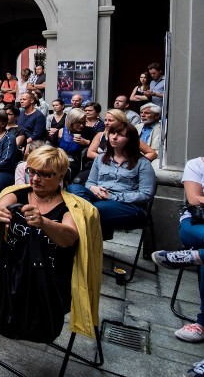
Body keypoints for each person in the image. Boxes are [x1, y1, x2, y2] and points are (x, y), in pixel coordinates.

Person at [0, 146, 97, 377]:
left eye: (44, 174)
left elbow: (69, 236)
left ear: (61, 176)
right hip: (9, 277)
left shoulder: (70, 208)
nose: (35, 178)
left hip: (45, 286)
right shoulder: (18, 193)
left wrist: (44, 223)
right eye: (32, 171)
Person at [150, 156, 204, 348]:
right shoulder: (196, 165)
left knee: (202, 255)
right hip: (196, 225)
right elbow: (195, 200)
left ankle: (197, 257)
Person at [67, 121, 156, 237]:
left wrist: (112, 197)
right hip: (100, 198)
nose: (114, 137)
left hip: (128, 206)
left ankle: (83, 240)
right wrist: (93, 188)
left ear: (130, 139)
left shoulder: (142, 163)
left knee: (91, 209)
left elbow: (146, 194)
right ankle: (91, 231)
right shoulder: (101, 159)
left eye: (120, 135)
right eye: (112, 133)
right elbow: (90, 182)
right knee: (73, 188)